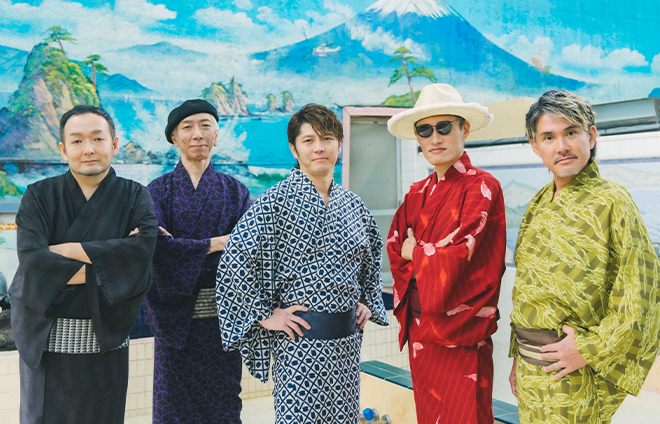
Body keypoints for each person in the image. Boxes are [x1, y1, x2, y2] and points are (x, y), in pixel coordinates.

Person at [217, 103, 388, 424]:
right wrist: (265, 315)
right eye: (308, 140)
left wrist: (366, 300)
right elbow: (235, 260)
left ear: (340, 145)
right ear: (294, 150)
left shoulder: (354, 205)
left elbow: (372, 255)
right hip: (298, 346)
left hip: (346, 345)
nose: (319, 147)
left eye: (327, 139)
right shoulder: (274, 201)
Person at [509, 90, 660, 424]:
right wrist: (517, 356)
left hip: (575, 371)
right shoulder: (538, 203)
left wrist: (589, 349)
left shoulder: (613, 201)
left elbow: (642, 291)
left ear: (590, 136)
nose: (561, 146)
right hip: (530, 370)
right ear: (535, 146)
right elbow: (527, 288)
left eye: (571, 132)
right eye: (549, 137)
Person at [10, 105, 158, 424]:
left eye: (97, 138)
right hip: (47, 338)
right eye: (77, 141)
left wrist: (67, 251)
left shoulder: (135, 196)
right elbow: (33, 263)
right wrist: (113, 264)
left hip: (107, 338)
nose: (88, 148)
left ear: (114, 144)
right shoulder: (38, 196)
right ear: (63, 149)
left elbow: (143, 254)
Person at [386, 84, 507, 424]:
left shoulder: (483, 186)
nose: (435, 138)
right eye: (425, 130)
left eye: (444, 127)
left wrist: (416, 252)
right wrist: (426, 253)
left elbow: (461, 255)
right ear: (417, 137)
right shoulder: (416, 193)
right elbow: (394, 247)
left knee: (466, 415)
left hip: (461, 333)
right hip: (422, 332)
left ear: (464, 129)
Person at [145, 99, 251, 423]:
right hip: (175, 324)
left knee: (223, 406)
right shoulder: (156, 192)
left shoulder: (236, 192)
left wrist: (182, 246)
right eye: (187, 127)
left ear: (216, 136)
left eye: (206, 126)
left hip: (223, 324)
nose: (197, 134)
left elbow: (247, 251)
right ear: (174, 138)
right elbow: (156, 251)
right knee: (173, 407)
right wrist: (217, 243)